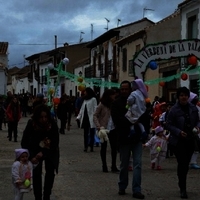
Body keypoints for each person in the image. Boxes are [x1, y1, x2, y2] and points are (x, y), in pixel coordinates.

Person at [111, 80, 145, 199]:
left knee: (138, 164)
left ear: (130, 89)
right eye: (122, 89)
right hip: (124, 137)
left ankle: (137, 189)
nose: (124, 91)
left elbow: (144, 114)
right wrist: (130, 121)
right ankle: (122, 185)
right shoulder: (116, 104)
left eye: (126, 89)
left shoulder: (138, 100)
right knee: (124, 164)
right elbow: (117, 121)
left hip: (137, 137)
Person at [166, 87, 200, 199]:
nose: (183, 97)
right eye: (181, 95)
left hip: (190, 138)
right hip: (178, 140)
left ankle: (182, 181)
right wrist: (178, 132)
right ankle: (183, 188)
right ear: (178, 96)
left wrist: (197, 127)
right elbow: (169, 124)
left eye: (185, 95)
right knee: (182, 163)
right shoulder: (174, 110)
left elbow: (198, 120)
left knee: (185, 165)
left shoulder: (193, 108)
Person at [21, 104, 60, 200]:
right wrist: (31, 156)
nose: (44, 119)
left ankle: (47, 195)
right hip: (34, 152)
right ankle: (37, 197)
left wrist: (44, 152)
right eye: (41, 117)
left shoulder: (52, 124)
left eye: (46, 117)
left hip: (50, 151)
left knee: (50, 173)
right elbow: (24, 142)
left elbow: (55, 142)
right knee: (37, 174)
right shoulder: (31, 124)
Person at [93, 89, 119, 172]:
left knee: (114, 148)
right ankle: (104, 165)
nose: (114, 96)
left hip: (113, 128)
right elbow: (95, 115)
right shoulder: (102, 105)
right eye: (112, 95)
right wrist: (98, 126)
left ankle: (113, 166)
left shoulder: (115, 104)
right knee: (103, 147)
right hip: (104, 128)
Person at [77, 87, 97, 152]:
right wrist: (78, 117)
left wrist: (95, 117)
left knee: (91, 133)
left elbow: (95, 108)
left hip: (91, 118)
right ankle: (85, 146)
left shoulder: (93, 99)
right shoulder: (85, 100)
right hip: (85, 118)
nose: (84, 93)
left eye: (85, 91)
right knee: (85, 134)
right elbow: (82, 109)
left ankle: (91, 146)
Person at [188, 92, 200, 169]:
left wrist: (197, 126)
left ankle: (193, 162)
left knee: (197, 147)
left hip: (196, 131)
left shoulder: (198, 108)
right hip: (187, 131)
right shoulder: (186, 109)